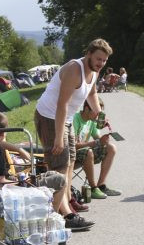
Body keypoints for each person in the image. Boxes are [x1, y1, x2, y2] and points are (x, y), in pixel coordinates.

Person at [34, 38, 112, 230]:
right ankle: (57, 216)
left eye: (104, 60)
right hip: (50, 117)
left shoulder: (94, 70)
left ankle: (67, 205)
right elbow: (62, 105)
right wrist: (59, 137)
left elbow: (92, 93)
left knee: (68, 163)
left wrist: (98, 113)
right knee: (59, 165)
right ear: (88, 54)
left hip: (66, 119)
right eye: (98, 59)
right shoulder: (73, 70)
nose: (101, 63)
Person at [0, 111, 67, 215]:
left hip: (2, 184)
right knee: (60, 179)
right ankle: (52, 217)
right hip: (10, 190)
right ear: (3, 133)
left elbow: (1, 142)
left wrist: (20, 150)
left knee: (53, 174)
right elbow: (0, 182)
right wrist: (21, 181)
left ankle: (51, 212)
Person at [73, 98, 121, 199]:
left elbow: (98, 139)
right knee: (88, 152)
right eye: (96, 112)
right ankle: (93, 188)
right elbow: (73, 145)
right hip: (72, 154)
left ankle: (101, 185)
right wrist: (97, 142)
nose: (98, 116)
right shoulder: (75, 118)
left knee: (111, 147)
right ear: (86, 109)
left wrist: (102, 128)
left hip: (85, 153)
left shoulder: (91, 121)